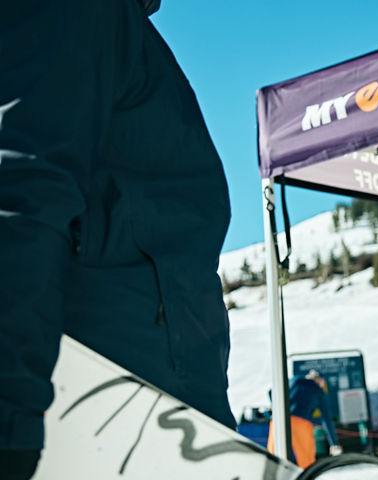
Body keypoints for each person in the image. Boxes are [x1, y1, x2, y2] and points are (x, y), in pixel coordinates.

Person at [0, 1, 234, 478]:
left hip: (161, 390)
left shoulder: (117, 28)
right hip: (107, 392)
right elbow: (21, 195)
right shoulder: (72, 14)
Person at [268, 371, 343, 468]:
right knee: (307, 460)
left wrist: (275, 407)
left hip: (278, 420)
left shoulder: (294, 380)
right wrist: (334, 443)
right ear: (319, 380)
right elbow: (327, 419)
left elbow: (271, 392)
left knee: (273, 456)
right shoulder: (318, 390)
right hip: (301, 424)